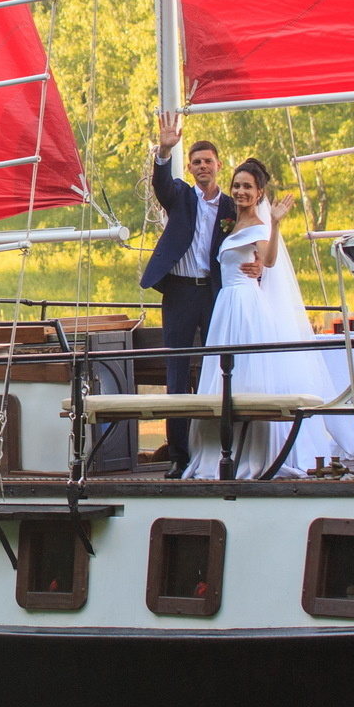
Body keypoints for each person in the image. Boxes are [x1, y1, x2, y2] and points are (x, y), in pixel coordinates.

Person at [182, 158, 342, 479]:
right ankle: (218, 449)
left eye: (247, 187)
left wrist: (276, 222)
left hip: (244, 305)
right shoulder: (231, 223)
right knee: (222, 373)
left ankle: (250, 452)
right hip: (226, 304)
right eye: (237, 185)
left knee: (243, 373)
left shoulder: (258, 225)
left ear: (259, 193)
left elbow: (267, 261)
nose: (240, 191)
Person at [140, 112, 241, 475]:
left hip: (215, 294)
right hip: (180, 295)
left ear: (218, 166)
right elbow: (161, 185)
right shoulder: (180, 195)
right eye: (196, 162)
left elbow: (250, 239)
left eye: (207, 161)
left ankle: (221, 449)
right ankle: (180, 455)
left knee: (222, 366)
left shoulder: (232, 206)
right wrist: (164, 151)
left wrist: (258, 265)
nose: (201, 166)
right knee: (177, 372)